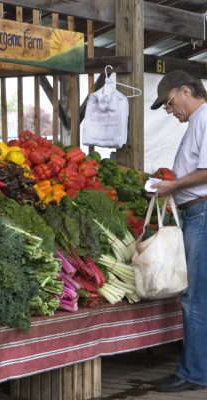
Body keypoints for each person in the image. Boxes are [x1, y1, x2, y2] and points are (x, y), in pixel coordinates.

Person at [150, 70, 207, 393]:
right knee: (199, 295)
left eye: (170, 103)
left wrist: (175, 185)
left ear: (187, 90)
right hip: (197, 212)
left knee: (195, 298)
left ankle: (195, 372)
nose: (170, 112)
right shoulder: (198, 121)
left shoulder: (204, 117)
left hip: (201, 213)